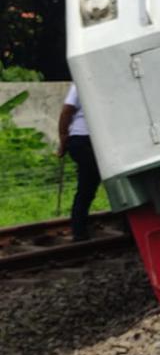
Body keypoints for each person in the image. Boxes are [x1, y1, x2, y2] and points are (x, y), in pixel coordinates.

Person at [58, 84, 100, 241]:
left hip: (82, 140)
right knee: (89, 184)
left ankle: (79, 230)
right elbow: (67, 110)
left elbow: (66, 112)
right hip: (84, 139)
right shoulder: (80, 83)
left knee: (87, 185)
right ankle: (79, 230)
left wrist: (64, 141)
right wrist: (63, 138)